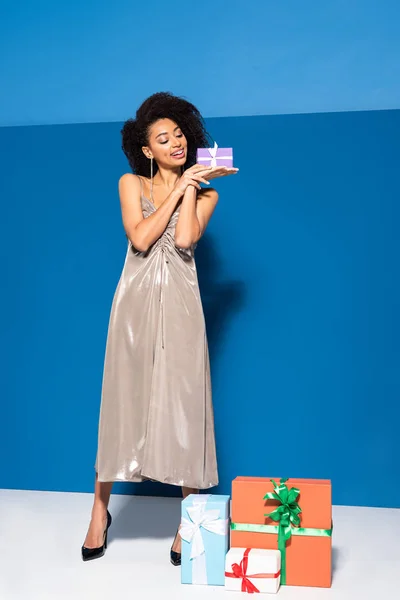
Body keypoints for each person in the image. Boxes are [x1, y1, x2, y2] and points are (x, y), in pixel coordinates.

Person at [81, 92, 238, 564]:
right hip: (134, 303)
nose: (175, 143)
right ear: (147, 150)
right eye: (163, 138)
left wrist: (192, 186)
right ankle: (98, 512)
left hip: (182, 306)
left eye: (180, 135)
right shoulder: (131, 183)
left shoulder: (207, 192)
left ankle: (188, 520)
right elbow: (142, 237)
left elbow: (186, 240)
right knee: (122, 399)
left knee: (185, 403)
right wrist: (177, 185)